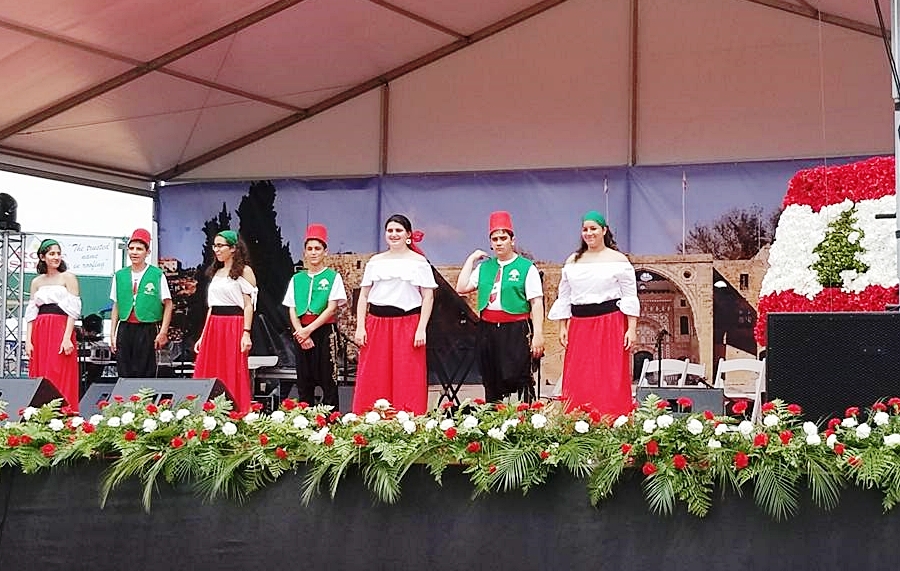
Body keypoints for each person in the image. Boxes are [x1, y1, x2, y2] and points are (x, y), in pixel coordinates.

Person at [547, 210, 639, 416]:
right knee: (580, 372)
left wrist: (631, 329)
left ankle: (612, 418)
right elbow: (565, 295)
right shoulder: (573, 260)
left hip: (610, 322)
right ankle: (578, 419)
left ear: (604, 231)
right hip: (579, 324)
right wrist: (563, 326)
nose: (589, 233)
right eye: (585, 229)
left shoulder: (618, 259)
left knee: (609, 373)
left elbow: (629, 295)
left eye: (593, 229)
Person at [456, 211, 544, 403]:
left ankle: (525, 415)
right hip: (487, 329)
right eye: (495, 239)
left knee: (519, 376)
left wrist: (538, 334)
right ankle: (493, 414)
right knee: (490, 377)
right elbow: (461, 288)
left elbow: (536, 302)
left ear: (512, 240)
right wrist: (471, 259)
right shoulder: (484, 267)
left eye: (503, 238)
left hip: (516, 329)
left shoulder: (526, 267)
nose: (499, 243)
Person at [352, 214, 437, 414]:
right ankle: (370, 419)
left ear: (408, 235)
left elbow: (428, 297)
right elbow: (364, 296)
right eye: (390, 230)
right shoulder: (375, 261)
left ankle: (408, 419)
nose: (394, 234)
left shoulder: (419, 262)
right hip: (377, 324)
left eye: (398, 230)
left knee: (407, 373)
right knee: (374, 372)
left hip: (407, 324)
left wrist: (421, 328)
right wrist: (360, 327)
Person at [282, 223, 348, 408]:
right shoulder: (297, 279)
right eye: (309, 248)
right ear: (304, 252)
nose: (313, 253)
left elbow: (332, 308)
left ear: (325, 252)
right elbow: (292, 308)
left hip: (324, 330)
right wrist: (301, 332)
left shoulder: (333, 277)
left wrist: (308, 331)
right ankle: (304, 419)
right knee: (304, 381)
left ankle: (330, 420)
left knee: (328, 380)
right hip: (301, 331)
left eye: (317, 248)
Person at [193, 230, 257, 412]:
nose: (217, 249)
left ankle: (235, 410)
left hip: (233, 325)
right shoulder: (217, 272)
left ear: (233, 248)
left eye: (221, 246)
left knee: (231, 368)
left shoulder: (245, 271)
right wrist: (203, 336)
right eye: (215, 246)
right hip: (214, 325)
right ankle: (207, 411)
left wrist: (246, 333)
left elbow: (248, 305)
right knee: (209, 367)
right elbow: (212, 307)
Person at [24, 238, 81, 409]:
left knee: (59, 369)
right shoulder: (36, 282)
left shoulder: (68, 277)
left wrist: (67, 337)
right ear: (43, 257)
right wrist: (28, 340)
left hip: (60, 327)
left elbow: (73, 310)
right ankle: (40, 412)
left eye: (58, 253)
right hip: (40, 329)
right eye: (51, 254)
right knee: (42, 370)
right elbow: (31, 313)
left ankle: (64, 411)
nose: (56, 257)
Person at [110, 228, 174, 378]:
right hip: (125, 327)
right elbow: (116, 305)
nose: (134, 252)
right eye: (131, 248)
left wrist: (163, 332)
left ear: (147, 252)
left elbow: (168, 304)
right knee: (124, 371)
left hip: (147, 328)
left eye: (139, 249)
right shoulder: (120, 275)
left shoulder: (157, 274)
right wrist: (112, 334)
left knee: (145, 371)